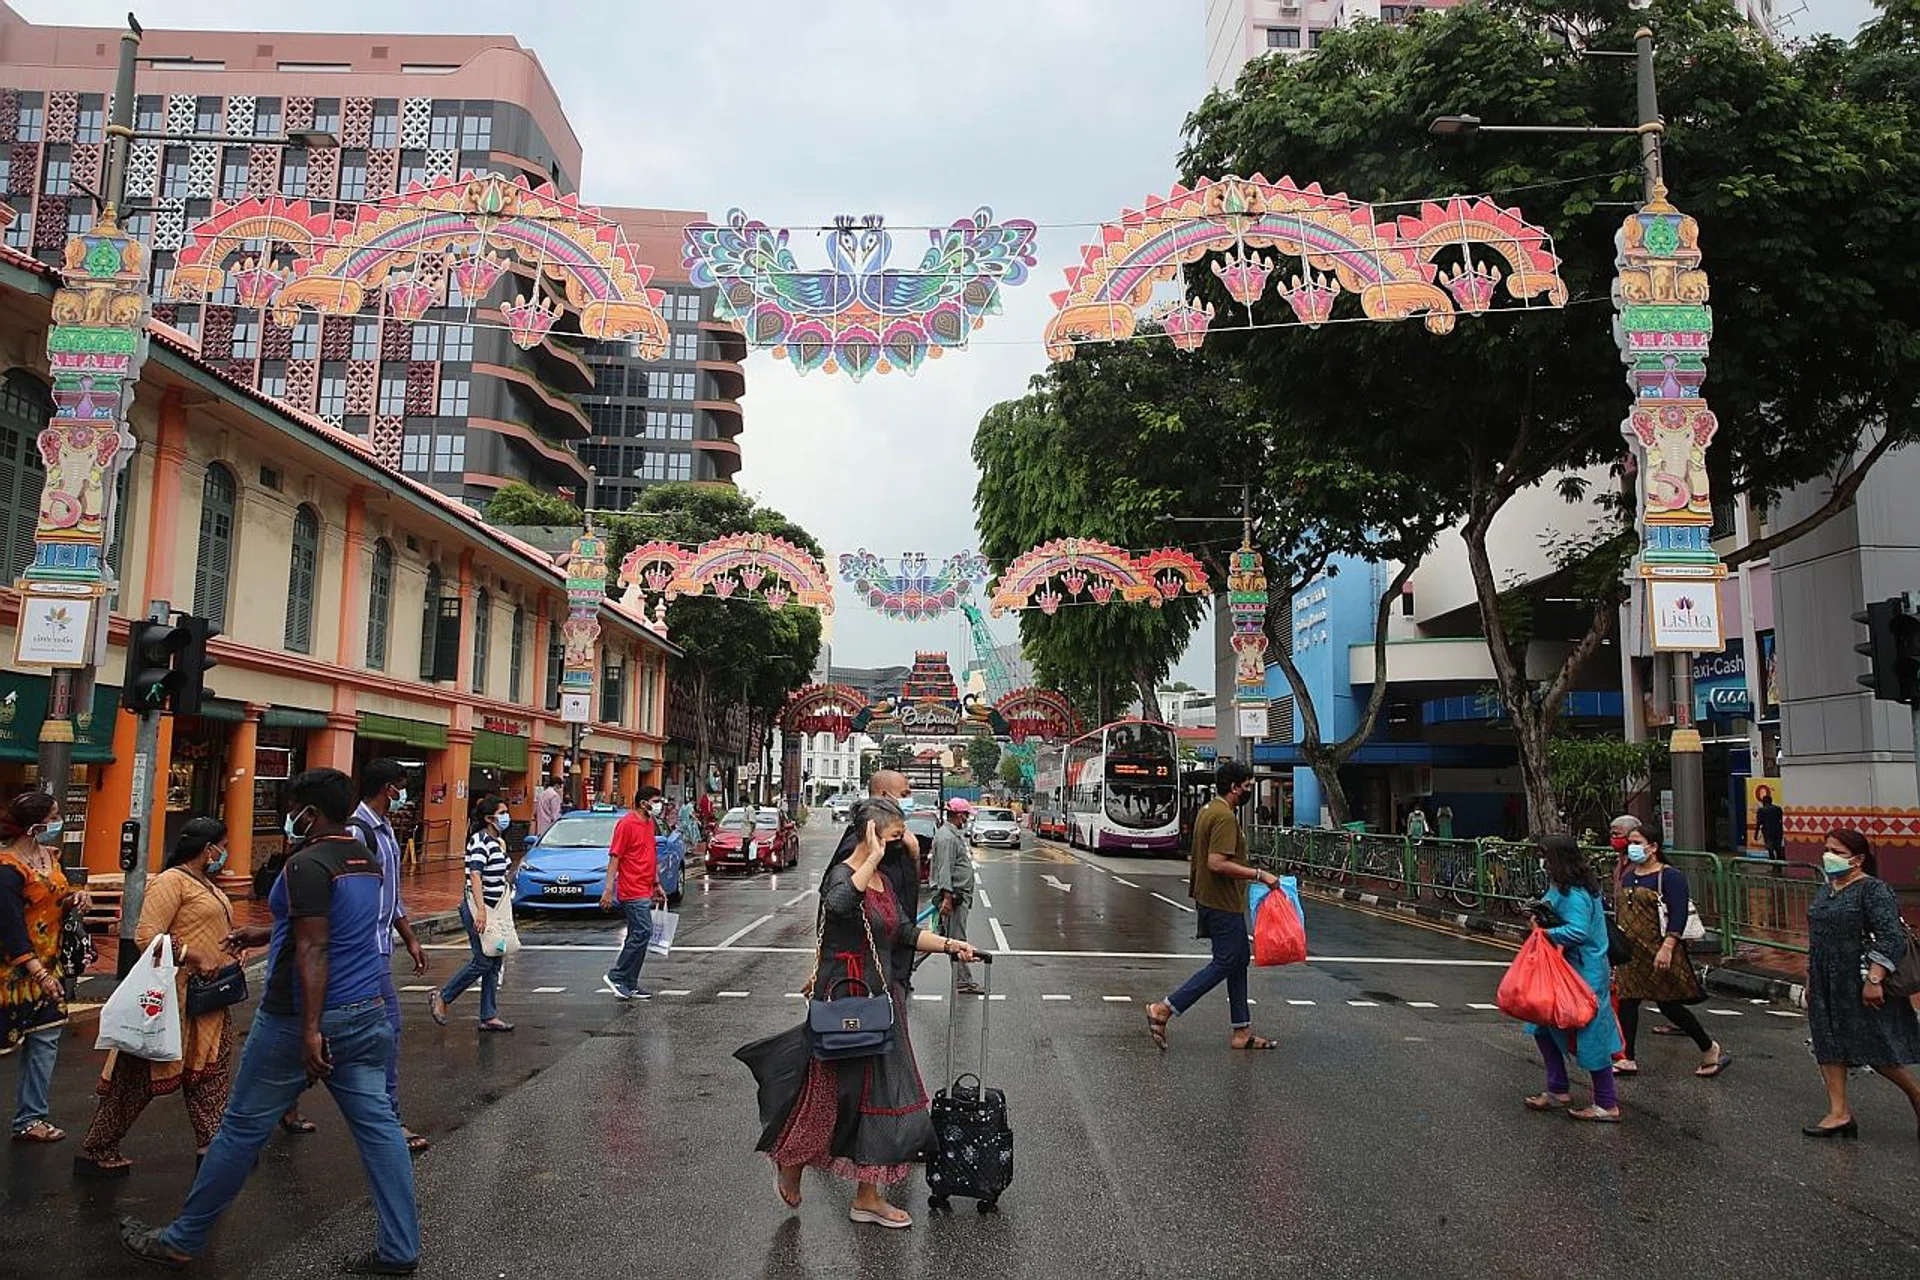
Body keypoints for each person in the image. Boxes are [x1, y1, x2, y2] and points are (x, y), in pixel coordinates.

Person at [120, 768, 420, 1275]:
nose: (291, 818)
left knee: (240, 1128)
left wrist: (310, 1029)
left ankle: (182, 1239)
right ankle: (400, 1249)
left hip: (297, 1017)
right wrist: (264, 934)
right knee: (380, 1129)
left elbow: (314, 947)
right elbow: (330, 924)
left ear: (310, 813)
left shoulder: (307, 862)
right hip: (366, 1010)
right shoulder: (363, 859)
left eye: (295, 810)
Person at [735, 797, 981, 1229]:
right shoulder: (844, 874)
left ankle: (867, 1196)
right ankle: (792, 1158)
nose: (901, 841)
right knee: (824, 1095)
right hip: (845, 1001)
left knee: (881, 1095)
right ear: (870, 833)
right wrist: (870, 857)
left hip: (881, 1003)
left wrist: (950, 945)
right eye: (894, 834)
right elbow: (839, 905)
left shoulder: (882, 880)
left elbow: (904, 932)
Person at [76, 818, 239, 1176]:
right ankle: (98, 1148)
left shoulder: (205, 883)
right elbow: (146, 936)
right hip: (168, 1002)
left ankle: (213, 1145)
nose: (224, 853)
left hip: (208, 999)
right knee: (136, 1078)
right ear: (208, 848)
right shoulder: (170, 882)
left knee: (210, 1072)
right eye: (222, 846)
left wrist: (230, 947)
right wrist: (195, 955)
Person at [1145, 760, 1282, 1052]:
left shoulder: (1208, 810)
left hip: (1212, 899)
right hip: (1222, 903)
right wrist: (1260, 875)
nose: (1249, 790)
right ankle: (1164, 1008)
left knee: (1239, 960)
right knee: (1226, 962)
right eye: (1247, 786)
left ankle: (1241, 1030)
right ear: (1234, 787)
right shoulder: (1224, 817)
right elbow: (1216, 863)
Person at [1801, 829, 1920, 1139]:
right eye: (1827, 849)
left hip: (1860, 978)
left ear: (1858, 859)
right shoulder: (1827, 889)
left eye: (1837, 852)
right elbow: (1817, 937)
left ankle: (1916, 1095)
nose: (1829, 856)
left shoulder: (1874, 890)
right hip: (1825, 979)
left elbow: (1891, 936)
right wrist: (1811, 976)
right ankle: (1839, 1113)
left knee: (1874, 1046)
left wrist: (1875, 978)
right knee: (1828, 1043)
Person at [349, 759, 431, 1153]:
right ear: (388, 789)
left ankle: (285, 1103)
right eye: (401, 787)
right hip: (363, 951)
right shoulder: (358, 831)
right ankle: (389, 1119)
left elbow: (389, 894)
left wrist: (409, 937)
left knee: (365, 1033)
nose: (404, 795)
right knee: (386, 1030)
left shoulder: (384, 831)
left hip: (380, 947)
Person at [1522, 834, 1626, 1121]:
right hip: (1565, 968)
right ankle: (1557, 1088)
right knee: (1542, 1026)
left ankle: (1606, 1103)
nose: (1542, 862)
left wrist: (1544, 933)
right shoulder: (1565, 886)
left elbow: (1578, 931)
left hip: (1582, 971)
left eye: (1545, 856)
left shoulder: (1574, 893)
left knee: (1591, 1035)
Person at [1611, 825, 1728, 1079]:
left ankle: (1709, 1047)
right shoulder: (1629, 876)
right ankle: (1627, 1057)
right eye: (1630, 842)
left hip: (1659, 950)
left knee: (1669, 1005)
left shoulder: (1670, 876)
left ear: (1653, 847)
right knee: (1628, 1001)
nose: (1631, 847)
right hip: (1632, 953)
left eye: (1637, 842)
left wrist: (1668, 947)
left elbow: (1678, 914)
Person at [2, 791, 74, 1144]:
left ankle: (30, 1119)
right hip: (12, 975)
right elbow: (10, 926)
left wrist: (76, 899)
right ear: (35, 826)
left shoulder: (51, 857)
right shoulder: (8, 869)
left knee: (45, 1040)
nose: (59, 822)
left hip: (49, 964)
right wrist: (37, 972)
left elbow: (54, 900)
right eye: (54, 817)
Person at [429, 796, 513, 1032]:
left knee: (494, 961)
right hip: (478, 909)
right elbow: (475, 875)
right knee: (483, 960)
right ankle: (443, 996)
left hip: (495, 910)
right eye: (502, 812)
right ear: (489, 818)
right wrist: (481, 910)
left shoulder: (498, 842)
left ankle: (489, 1015)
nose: (507, 817)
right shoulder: (480, 841)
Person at [833, 771, 923, 988]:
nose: (909, 799)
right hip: (864, 971)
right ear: (883, 796)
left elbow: (904, 907)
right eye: (904, 794)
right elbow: (836, 905)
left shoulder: (897, 845)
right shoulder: (859, 847)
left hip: (894, 963)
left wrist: (915, 854)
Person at [601, 785, 663, 1001]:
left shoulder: (649, 823)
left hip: (645, 887)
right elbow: (615, 857)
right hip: (631, 888)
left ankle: (630, 982)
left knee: (638, 936)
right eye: (656, 801)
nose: (659, 805)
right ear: (643, 803)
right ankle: (617, 975)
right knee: (643, 931)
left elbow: (649, 853)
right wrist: (608, 889)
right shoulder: (626, 824)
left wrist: (656, 883)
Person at [930, 797, 981, 995]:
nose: (967, 819)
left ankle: (905, 970)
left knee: (937, 937)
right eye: (966, 815)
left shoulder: (950, 834)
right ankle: (963, 981)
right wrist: (947, 898)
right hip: (954, 897)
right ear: (959, 815)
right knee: (957, 939)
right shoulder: (947, 838)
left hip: (955, 895)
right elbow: (945, 870)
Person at [1752, 786, 1785, 859]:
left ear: (1764, 802)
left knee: (1770, 849)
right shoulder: (1778, 809)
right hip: (1778, 831)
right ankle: (1779, 862)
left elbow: (1758, 823)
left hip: (1768, 832)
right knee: (1778, 849)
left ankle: (1772, 862)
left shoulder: (1761, 810)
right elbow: (1781, 819)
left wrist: (1756, 834)